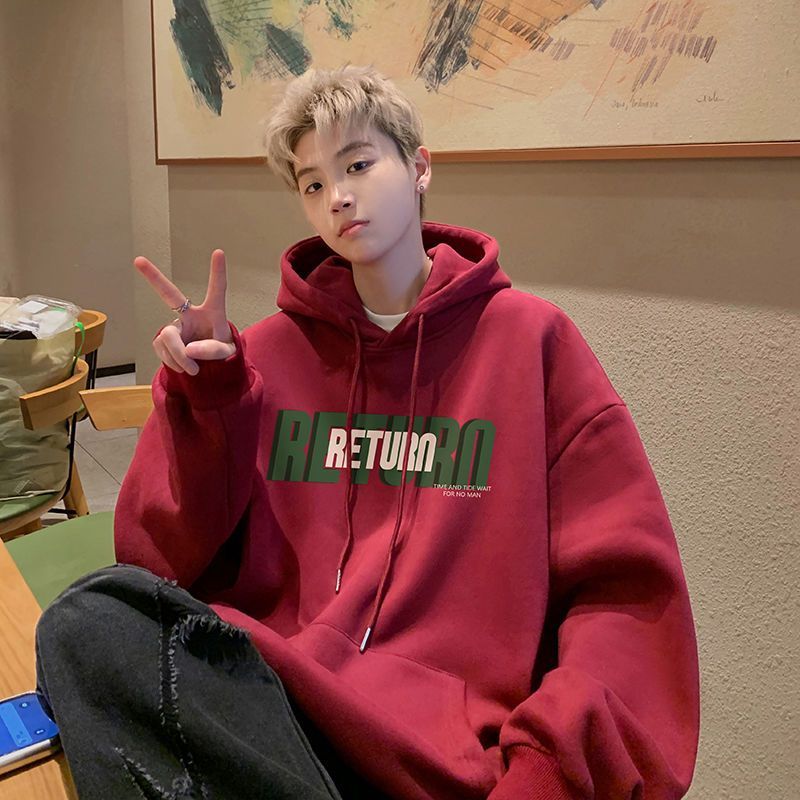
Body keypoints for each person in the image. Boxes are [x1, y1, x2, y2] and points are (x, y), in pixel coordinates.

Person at [35, 65, 699, 799]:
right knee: (84, 622)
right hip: (276, 709)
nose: (338, 197)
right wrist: (209, 403)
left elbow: (625, 602)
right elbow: (152, 560)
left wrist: (544, 775)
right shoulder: (266, 355)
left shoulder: (531, 344)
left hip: (444, 749)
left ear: (419, 168)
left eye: (357, 165)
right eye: (313, 183)